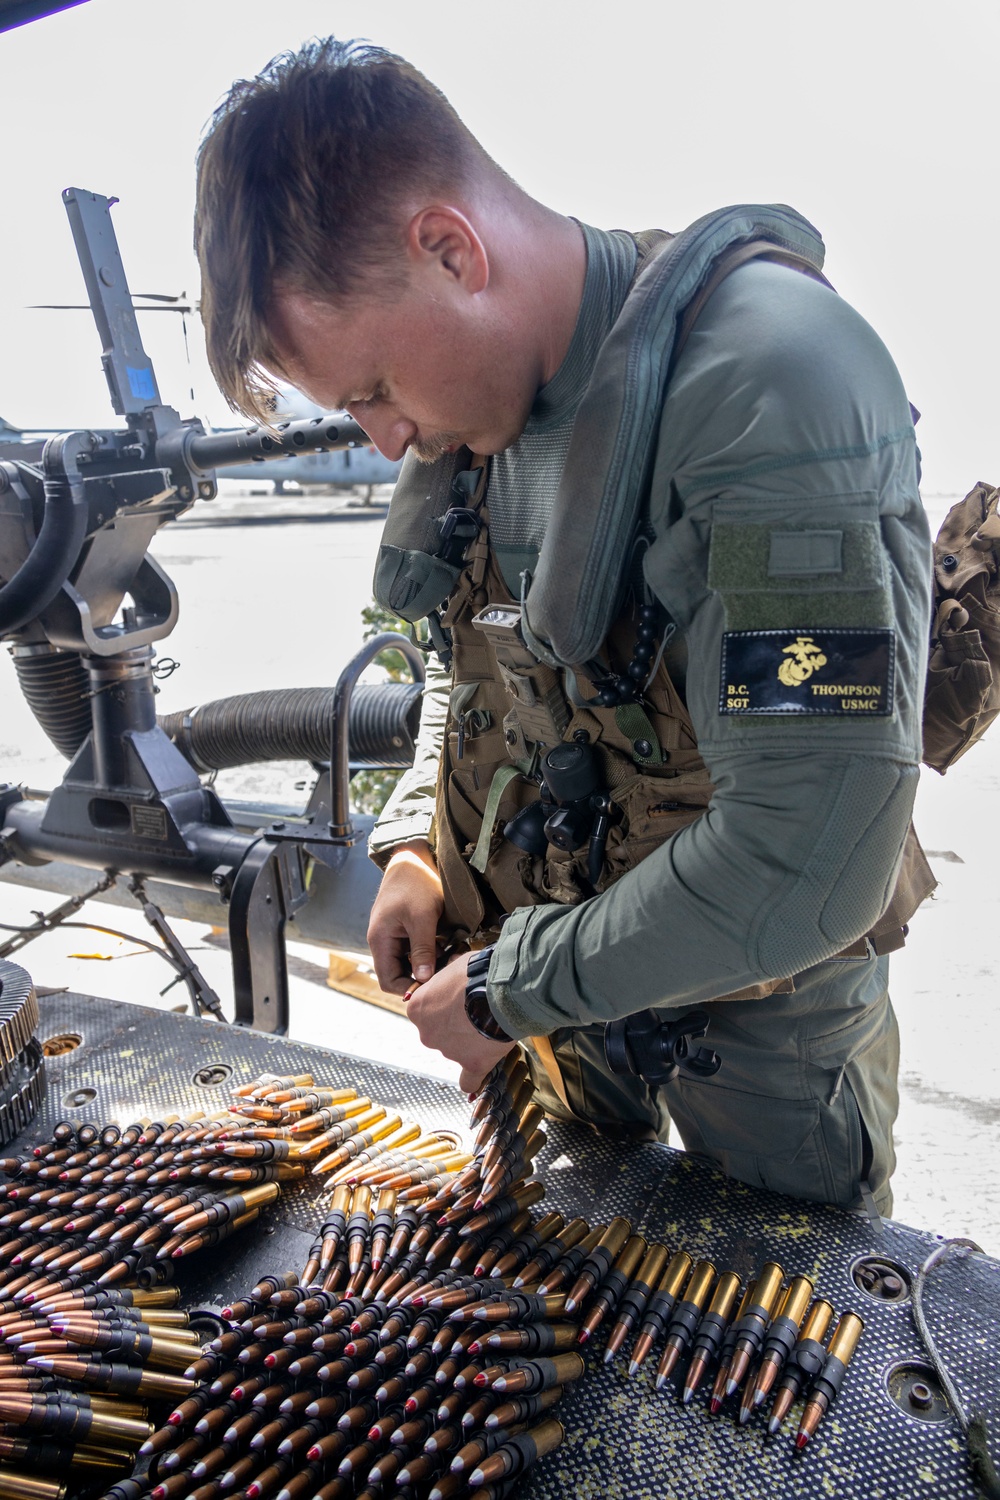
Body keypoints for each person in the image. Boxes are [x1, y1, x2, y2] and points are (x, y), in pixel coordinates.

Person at [194, 38, 935, 1217]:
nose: (382, 439)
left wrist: (511, 989)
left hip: (748, 1016)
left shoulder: (767, 386)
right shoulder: (472, 408)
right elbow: (471, 652)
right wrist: (415, 845)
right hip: (552, 982)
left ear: (450, 249)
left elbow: (808, 859)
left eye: (375, 387)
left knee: (781, 1339)